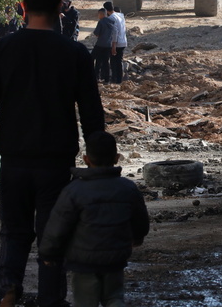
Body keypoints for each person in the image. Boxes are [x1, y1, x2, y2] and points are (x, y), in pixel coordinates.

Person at [0, 0, 105, 307]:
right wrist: (98, 161)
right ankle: (49, 299)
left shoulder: (0, 50)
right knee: (52, 237)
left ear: (24, 8)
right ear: (60, 9)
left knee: (13, 232)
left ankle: (9, 288)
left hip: (13, 160)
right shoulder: (73, 53)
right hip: (56, 163)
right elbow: (91, 112)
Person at [39, 131, 149, 307]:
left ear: (85, 159)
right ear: (117, 158)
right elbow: (140, 221)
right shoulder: (128, 188)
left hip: (83, 263)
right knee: (114, 297)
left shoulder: (73, 191)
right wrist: (137, 237)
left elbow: (57, 226)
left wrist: (48, 253)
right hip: (115, 259)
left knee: (85, 302)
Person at [92, 3, 119, 83]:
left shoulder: (101, 22)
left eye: (98, 15)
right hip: (108, 45)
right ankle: (107, 80)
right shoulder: (112, 21)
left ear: (101, 14)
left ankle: (95, 76)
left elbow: (96, 33)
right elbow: (114, 33)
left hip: (100, 44)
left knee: (92, 59)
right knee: (106, 62)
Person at [110, 5, 128, 84]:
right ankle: (119, 79)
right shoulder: (121, 17)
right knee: (119, 61)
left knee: (114, 62)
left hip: (116, 43)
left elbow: (115, 33)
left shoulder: (113, 18)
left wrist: (113, 46)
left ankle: (115, 79)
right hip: (123, 42)